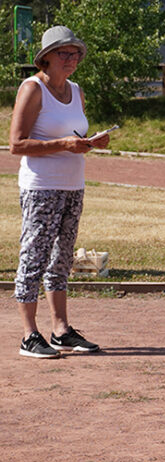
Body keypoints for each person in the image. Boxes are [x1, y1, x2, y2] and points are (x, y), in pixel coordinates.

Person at [10, 25, 110, 358]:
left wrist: (90, 142)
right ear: (47, 58)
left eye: (76, 53)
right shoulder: (33, 89)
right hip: (41, 188)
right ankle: (28, 335)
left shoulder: (77, 90)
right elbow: (16, 144)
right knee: (34, 257)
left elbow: (74, 134)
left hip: (72, 186)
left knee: (62, 259)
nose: (72, 58)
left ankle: (61, 330)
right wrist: (63, 144)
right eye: (65, 53)